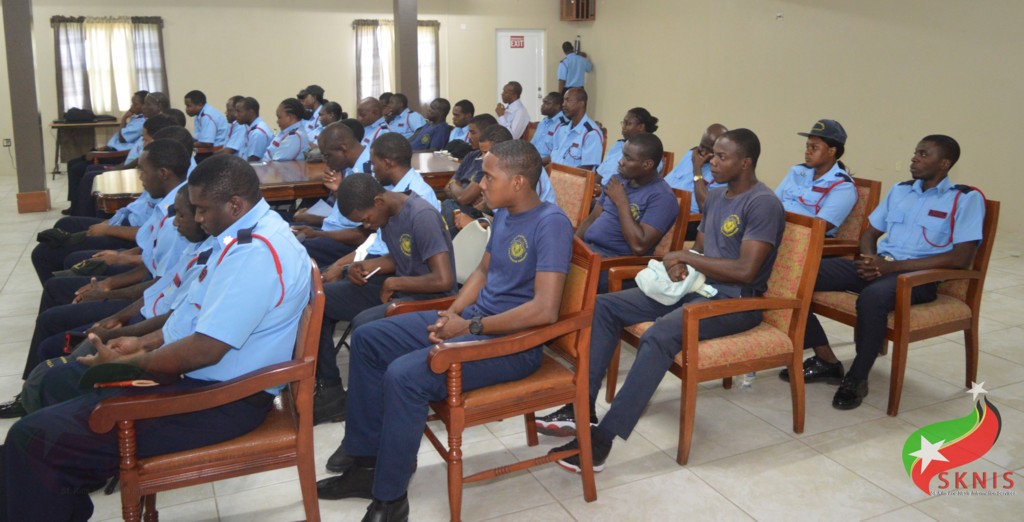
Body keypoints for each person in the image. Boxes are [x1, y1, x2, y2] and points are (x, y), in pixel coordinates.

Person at [2, 154, 311, 521]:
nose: (197, 218)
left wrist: (128, 364)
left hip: (220, 400)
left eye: (202, 209)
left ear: (234, 204)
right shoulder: (242, 236)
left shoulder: (254, 253)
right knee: (57, 398)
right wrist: (143, 343)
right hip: (200, 381)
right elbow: (193, 315)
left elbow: (205, 349)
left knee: (32, 440)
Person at [315, 140, 573, 521]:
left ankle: (390, 500)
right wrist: (449, 315)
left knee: (405, 376)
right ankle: (366, 463)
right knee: (368, 338)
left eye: (489, 177)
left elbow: (545, 310)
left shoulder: (551, 223)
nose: (480, 184)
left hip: (513, 345)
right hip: (476, 322)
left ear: (518, 182)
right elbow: (482, 272)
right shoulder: (504, 213)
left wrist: (468, 325)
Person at [538, 130, 786, 476]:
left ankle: (602, 441)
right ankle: (581, 408)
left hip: (736, 301)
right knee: (606, 307)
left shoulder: (763, 203)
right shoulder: (716, 196)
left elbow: (747, 271)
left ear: (745, 163)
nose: (712, 162)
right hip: (696, 287)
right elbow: (702, 250)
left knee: (659, 335)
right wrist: (682, 264)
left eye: (721, 157)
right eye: (712, 155)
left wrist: (686, 256)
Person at [781, 135, 985, 410]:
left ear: (945, 163)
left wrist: (891, 267)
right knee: (796, 276)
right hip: (882, 266)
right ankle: (826, 359)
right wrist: (870, 260)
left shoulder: (965, 199)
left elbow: (961, 257)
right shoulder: (901, 190)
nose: (914, 158)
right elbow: (870, 233)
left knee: (873, 298)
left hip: (917, 278)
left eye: (924, 154)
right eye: (916, 152)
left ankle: (857, 378)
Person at [312, 173, 458, 425]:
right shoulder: (388, 215)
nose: (367, 226)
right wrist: (364, 265)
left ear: (378, 201)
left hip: (431, 298)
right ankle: (330, 389)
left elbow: (443, 280)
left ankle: (369, 408)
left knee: (364, 325)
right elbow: (402, 257)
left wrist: (393, 283)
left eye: (366, 219)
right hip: (404, 288)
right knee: (320, 299)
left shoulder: (421, 216)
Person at [576, 133, 678, 292]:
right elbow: (592, 218)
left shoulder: (662, 197)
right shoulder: (618, 180)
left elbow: (639, 246)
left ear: (647, 164)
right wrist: (572, 245)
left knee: (554, 276)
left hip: (615, 264)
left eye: (628, 158)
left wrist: (621, 202)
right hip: (590, 252)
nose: (621, 161)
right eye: (623, 154)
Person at [292, 122, 374, 268]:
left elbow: (364, 234)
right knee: (282, 232)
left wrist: (317, 234)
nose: (326, 162)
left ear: (343, 149)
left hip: (347, 243)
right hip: (331, 231)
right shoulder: (348, 167)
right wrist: (337, 191)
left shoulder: (370, 171)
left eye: (327, 155)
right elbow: (342, 217)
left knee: (290, 248)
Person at [63, 90, 154, 215]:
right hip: (112, 150)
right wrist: (105, 147)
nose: (132, 106)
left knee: (78, 168)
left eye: (135, 104)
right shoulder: (136, 118)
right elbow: (118, 139)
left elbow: (122, 138)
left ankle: (78, 209)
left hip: (117, 155)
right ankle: (74, 204)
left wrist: (124, 118)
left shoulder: (143, 122)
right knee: (73, 163)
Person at [775, 119, 857, 236]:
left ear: (831, 151)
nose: (807, 152)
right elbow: (773, 203)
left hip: (803, 239)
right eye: (807, 147)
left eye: (814, 148)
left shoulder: (843, 186)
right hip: (774, 230)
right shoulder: (797, 171)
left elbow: (820, 227)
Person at [664, 123, 729, 239]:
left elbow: (706, 207)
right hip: (662, 208)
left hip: (687, 221)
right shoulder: (692, 153)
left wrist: (697, 168)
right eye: (702, 146)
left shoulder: (722, 172)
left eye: (709, 150)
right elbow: (668, 180)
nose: (703, 152)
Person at [441, 114, 499, 228]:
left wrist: (456, 186)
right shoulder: (471, 156)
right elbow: (447, 188)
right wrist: (459, 190)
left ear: (486, 134)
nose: (468, 137)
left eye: (472, 132)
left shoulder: (490, 162)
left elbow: (463, 198)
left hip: (472, 213)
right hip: (457, 206)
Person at [596, 107, 661, 185]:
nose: (623, 127)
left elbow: (636, 186)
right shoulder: (618, 145)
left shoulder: (651, 155)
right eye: (623, 123)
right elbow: (600, 174)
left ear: (641, 127)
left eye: (628, 123)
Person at [548, 88, 603, 169]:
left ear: (581, 104)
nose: (563, 104)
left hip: (570, 176)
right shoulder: (562, 128)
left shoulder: (591, 133)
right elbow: (554, 158)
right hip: (553, 173)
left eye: (568, 100)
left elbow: (587, 170)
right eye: (564, 100)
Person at [234, 96, 273, 161]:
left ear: (251, 113)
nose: (235, 115)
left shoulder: (257, 133)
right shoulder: (250, 128)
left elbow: (253, 161)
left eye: (239, 112)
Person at [530, 92, 567, 158]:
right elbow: (532, 144)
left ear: (557, 106)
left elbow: (559, 155)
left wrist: (538, 161)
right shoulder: (543, 122)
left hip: (547, 162)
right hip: (533, 158)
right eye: (543, 102)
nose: (543, 106)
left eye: (547, 103)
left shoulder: (563, 125)